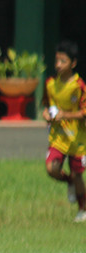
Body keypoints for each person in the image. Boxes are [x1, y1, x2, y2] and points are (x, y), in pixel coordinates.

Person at [41, 40, 86, 223]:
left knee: (78, 175)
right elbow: (46, 105)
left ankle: (83, 209)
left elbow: (84, 112)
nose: (58, 65)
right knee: (51, 169)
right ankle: (69, 182)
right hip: (58, 137)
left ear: (73, 63)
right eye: (56, 60)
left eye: (63, 61)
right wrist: (46, 114)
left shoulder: (79, 86)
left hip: (77, 138)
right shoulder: (50, 84)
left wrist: (65, 115)